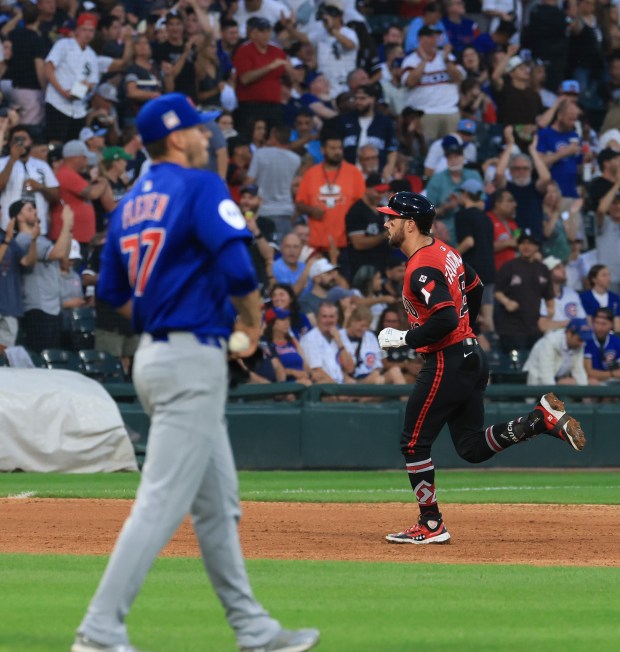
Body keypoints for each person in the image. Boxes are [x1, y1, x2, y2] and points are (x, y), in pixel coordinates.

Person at [72, 93, 319, 652]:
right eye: (201, 131)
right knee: (161, 500)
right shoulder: (201, 185)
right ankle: (98, 631)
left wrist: (162, 318)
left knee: (218, 506)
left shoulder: (131, 201)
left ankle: (254, 630)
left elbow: (110, 293)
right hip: (190, 359)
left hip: (157, 355)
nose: (209, 137)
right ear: (177, 138)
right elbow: (238, 265)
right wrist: (254, 326)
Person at [376, 191, 585, 545]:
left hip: (448, 359)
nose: (386, 223)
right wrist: (465, 326)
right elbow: (475, 286)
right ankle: (537, 421)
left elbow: (442, 317)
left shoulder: (422, 266)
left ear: (409, 224)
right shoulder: (445, 251)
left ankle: (430, 524)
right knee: (470, 447)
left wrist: (404, 339)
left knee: (413, 443)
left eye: (391, 218)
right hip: (471, 356)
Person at [494, 228, 555, 353]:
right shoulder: (510, 266)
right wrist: (506, 302)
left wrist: (550, 313)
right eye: (522, 243)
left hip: (534, 327)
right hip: (511, 328)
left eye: (530, 243)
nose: (526, 247)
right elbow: (497, 291)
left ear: (537, 246)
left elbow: (549, 296)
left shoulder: (543, 269)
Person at [522, 319, 590, 386]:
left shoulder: (578, 346)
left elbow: (579, 372)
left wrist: (585, 394)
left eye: (584, 340)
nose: (582, 344)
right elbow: (546, 378)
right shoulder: (550, 343)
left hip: (557, 383)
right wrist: (555, 397)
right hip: (535, 384)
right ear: (569, 333)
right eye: (580, 339)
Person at [583, 307, 620, 384]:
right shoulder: (586, 340)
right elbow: (589, 372)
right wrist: (612, 374)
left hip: (612, 382)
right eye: (597, 323)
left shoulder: (616, 341)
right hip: (590, 383)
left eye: (603, 324)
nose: (599, 327)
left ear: (611, 325)